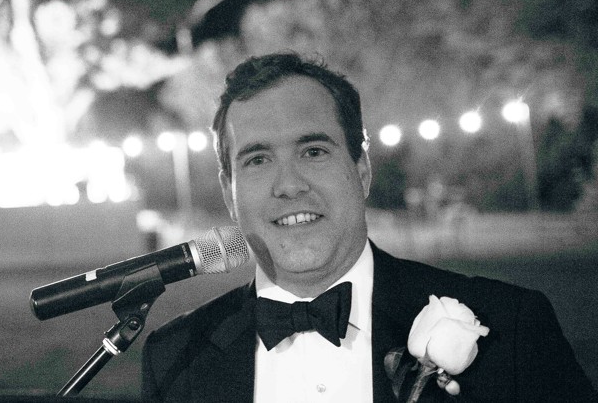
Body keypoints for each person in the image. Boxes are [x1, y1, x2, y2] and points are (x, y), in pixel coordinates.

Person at [141, 52, 597, 402]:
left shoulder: (509, 327)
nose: (289, 185)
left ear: (361, 171)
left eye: (313, 152)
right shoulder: (175, 357)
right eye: (258, 160)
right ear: (229, 192)